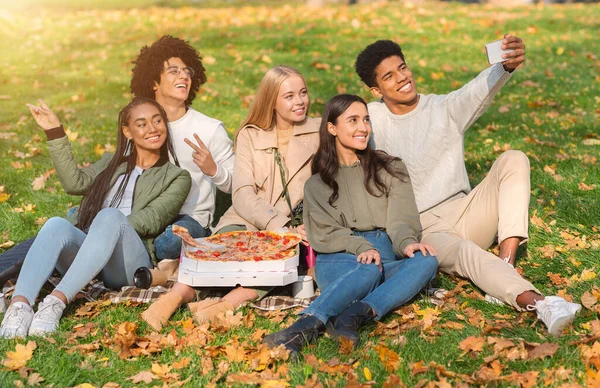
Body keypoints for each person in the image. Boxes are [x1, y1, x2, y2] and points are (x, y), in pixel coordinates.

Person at [354, 36, 581, 335]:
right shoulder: (369, 121)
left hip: (466, 209)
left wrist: (505, 67)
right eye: (389, 76)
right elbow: (330, 133)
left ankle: (506, 263)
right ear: (375, 89)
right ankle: (539, 304)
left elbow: (477, 90)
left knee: (514, 158)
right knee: (465, 252)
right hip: (423, 229)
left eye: (403, 68)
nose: (402, 78)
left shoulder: (443, 107)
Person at [141, 65, 321, 331]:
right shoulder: (249, 134)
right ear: (271, 100)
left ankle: (224, 306)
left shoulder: (319, 132)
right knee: (214, 258)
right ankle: (172, 298)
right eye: (289, 96)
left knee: (273, 263)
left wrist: (290, 230)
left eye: (303, 93)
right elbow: (242, 193)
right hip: (247, 217)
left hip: (291, 226)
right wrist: (278, 226)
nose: (300, 101)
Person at [263, 94, 438, 356]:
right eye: (353, 120)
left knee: (427, 261)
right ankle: (303, 326)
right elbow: (325, 233)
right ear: (332, 128)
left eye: (366, 119)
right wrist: (361, 246)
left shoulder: (391, 168)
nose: (363, 127)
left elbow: (402, 218)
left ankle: (353, 315)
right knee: (368, 269)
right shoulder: (317, 184)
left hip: (385, 257)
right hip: (339, 259)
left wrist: (407, 243)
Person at [0, 98, 191, 338]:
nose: (152, 129)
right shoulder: (112, 164)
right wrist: (54, 132)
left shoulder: (177, 177)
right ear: (127, 132)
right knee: (56, 224)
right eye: (141, 124)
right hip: (88, 255)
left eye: (157, 121)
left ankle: (55, 303)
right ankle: (20, 306)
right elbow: (74, 183)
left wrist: (102, 229)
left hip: (126, 260)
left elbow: (151, 219)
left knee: (109, 216)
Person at [130, 35, 234, 260]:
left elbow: (238, 184)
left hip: (191, 219)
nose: (184, 76)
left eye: (187, 71)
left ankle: (138, 257)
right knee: (78, 217)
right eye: (174, 71)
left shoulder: (210, 129)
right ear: (154, 82)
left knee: (168, 243)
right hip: (145, 212)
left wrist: (214, 170)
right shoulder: (141, 125)